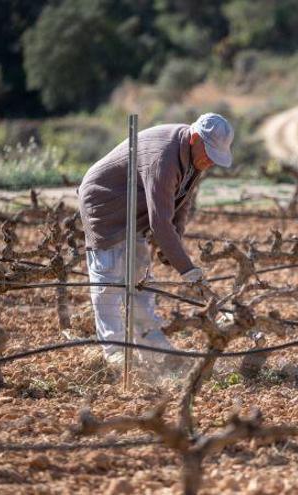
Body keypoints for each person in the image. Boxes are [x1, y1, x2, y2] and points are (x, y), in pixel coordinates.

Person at [77, 113, 234, 369]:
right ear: (195, 138)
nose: (210, 162)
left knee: (140, 282)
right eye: (209, 154)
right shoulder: (164, 157)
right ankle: (114, 354)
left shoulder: (195, 157)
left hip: (135, 207)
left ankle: (154, 352)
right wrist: (188, 270)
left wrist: (174, 241)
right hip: (104, 202)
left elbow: (181, 203)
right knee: (109, 279)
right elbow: (160, 223)